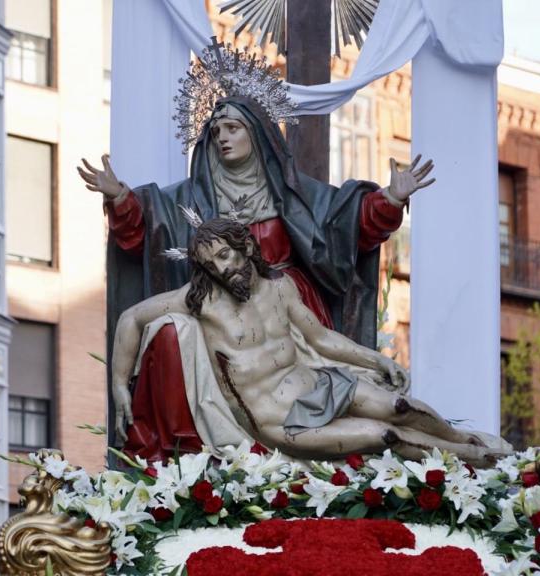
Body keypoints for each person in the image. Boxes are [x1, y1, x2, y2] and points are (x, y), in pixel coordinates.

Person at [80, 97, 434, 458]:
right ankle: (197, 452)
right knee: (173, 333)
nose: (222, 137)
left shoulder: (291, 192)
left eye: (233, 128)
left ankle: (461, 455)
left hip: (288, 310)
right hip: (224, 325)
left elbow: (345, 226)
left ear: (257, 135)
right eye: (216, 131)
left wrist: (391, 198)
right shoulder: (193, 199)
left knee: (379, 411)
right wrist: (121, 198)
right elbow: (151, 228)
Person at [111, 218, 508, 465]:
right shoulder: (201, 301)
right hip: (281, 421)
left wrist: (375, 360)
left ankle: (463, 439)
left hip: (317, 386)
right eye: (209, 264)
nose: (220, 269)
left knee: (400, 406)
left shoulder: (280, 288)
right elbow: (131, 317)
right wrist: (118, 385)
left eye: (225, 256)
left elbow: (321, 338)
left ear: (246, 247)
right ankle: (472, 458)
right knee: (382, 436)